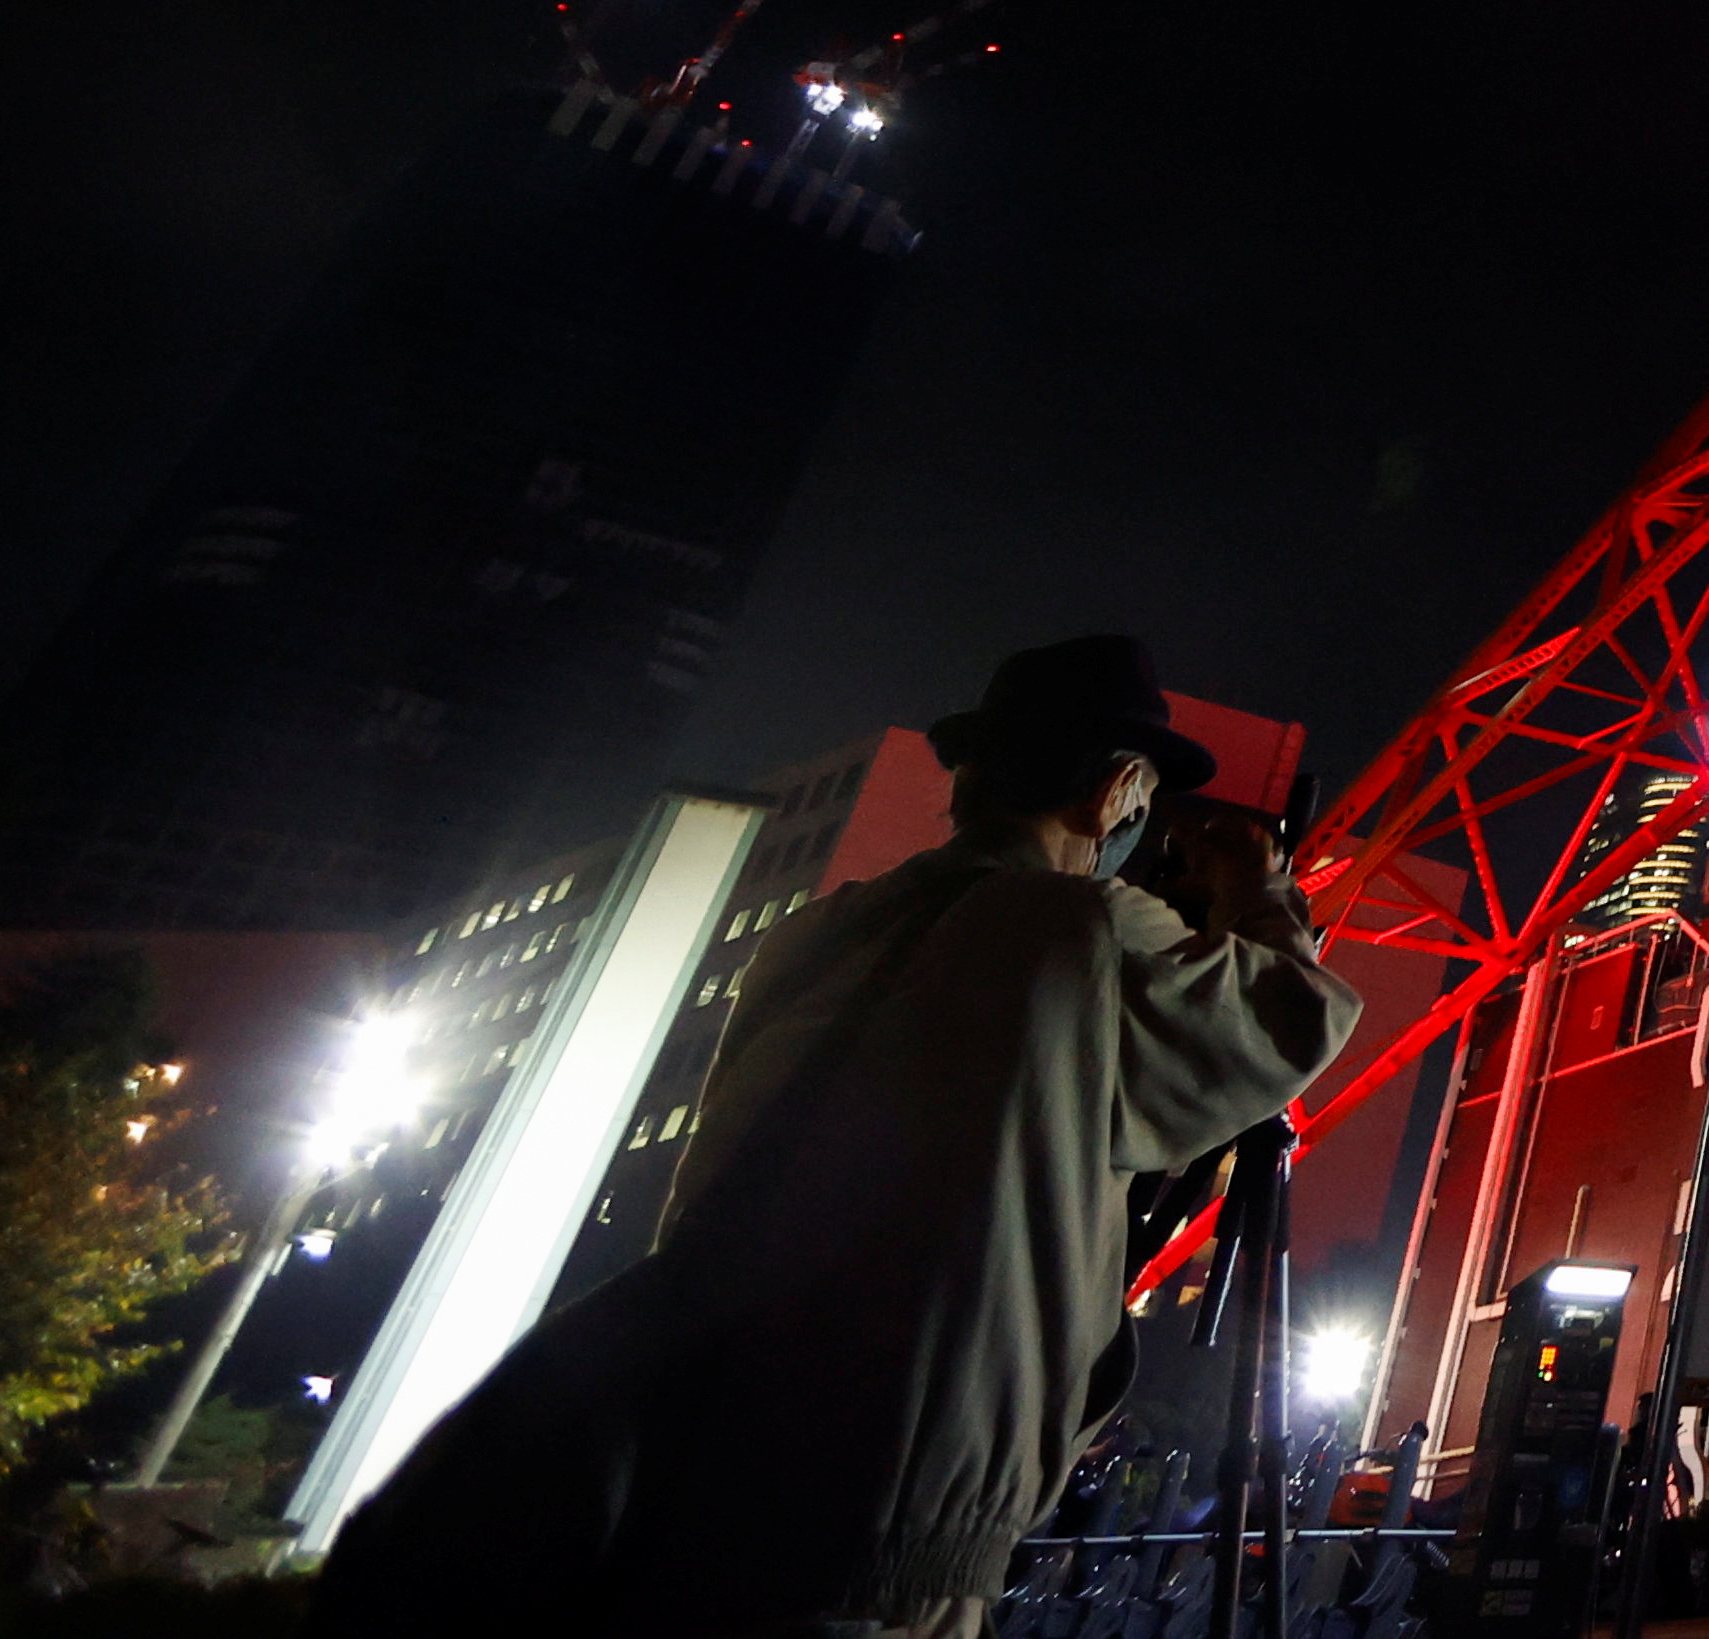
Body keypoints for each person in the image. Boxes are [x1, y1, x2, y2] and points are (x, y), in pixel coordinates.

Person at [316, 635, 1359, 1639]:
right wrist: (1256, 888)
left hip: (701, 1488)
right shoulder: (1079, 928)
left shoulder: (820, 932)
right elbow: (1287, 1019)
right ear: (1116, 786)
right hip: (889, 1529)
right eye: (1142, 793)